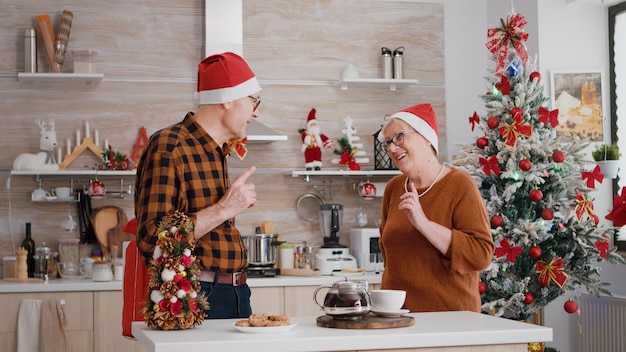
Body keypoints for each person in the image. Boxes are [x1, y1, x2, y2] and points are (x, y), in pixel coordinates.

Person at [134, 52, 261, 319]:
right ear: (228, 99)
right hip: (197, 294)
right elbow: (150, 239)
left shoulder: (216, 150)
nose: (256, 111)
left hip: (235, 293)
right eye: (253, 100)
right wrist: (225, 209)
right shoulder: (169, 147)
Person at [377, 103, 494, 312]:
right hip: (396, 319)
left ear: (425, 137)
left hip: (450, 320)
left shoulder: (460, 185)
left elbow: (481, 254)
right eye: (388, 142)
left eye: (399, 137)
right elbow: (388, 255)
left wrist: (424, 224)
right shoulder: (393, 188)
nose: (392, 148)